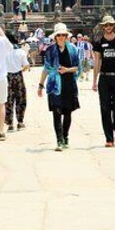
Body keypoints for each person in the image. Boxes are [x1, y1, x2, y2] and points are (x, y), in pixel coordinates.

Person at [38, 23, 81, 151]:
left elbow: (78, 68)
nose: (61, 37)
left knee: (67, 112)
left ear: (67, 36)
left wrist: (66, 70)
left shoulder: (73, 49)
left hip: (68, 83)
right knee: (56, 112)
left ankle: (66, 136)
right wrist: (40, 85)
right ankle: (59, 139)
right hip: (54, 83)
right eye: (59, 35)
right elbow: (46, 69)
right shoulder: (50, 50)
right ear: (55, 37)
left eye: (64, 35)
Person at [92, 15, 115, 147]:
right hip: (104, 77)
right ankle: (109, 138)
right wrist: (94, 80)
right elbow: (97, 62)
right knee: (105, 108)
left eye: (110, 25)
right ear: (103, 27)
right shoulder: (98, 43)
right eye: (106, 25)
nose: (108, 27)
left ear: (114, 26)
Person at [5, 34, 30, 132]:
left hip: (7, 76)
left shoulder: (4, 52)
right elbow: (26, 66)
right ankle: (20, 122)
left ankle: (10, 123)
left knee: (8, 100)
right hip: (18, 76)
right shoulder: (21, 52)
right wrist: (20, 70)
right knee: (21, 99)